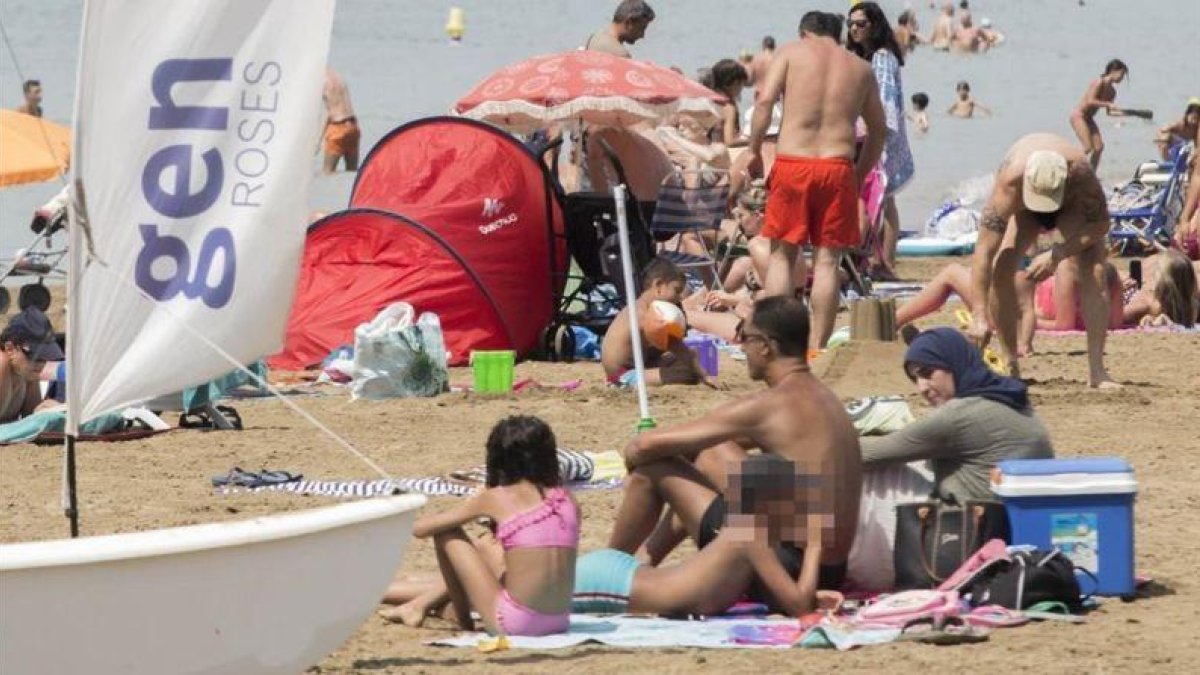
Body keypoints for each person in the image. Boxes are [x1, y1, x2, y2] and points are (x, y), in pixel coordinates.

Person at [604, 297, 862, 599]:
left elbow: (641, 447)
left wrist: (645, 463)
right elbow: (708, 447)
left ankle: (607, 569)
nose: (740, 345)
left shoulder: (768, 407)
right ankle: (645, 560)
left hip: (788, 570)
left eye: (744, 336)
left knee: (655, 470)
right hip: (829, 568)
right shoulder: (824, 398)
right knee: (712, 452)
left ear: (766, 345)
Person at [745, 11, 886, 349]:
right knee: (827, 262)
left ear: (804, 32)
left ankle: (778, 342)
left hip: (794, 162)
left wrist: (753, 150)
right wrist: (858, 174)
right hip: (836, 165)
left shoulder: (791, 53)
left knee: (781, 255)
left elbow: (764, 101)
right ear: (837, 35)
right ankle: (818, 347)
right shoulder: (860, 68)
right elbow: (879, 131)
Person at [574, 454, 844, 618]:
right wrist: (814, 547)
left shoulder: (745, 535)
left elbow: (784, 598)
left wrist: (814, 593)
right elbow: (800, 607)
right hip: (608, 583)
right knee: (536, 597)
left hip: (616, 574)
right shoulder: (749, 536)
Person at [386, 416, 579, 636]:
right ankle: (422, 604)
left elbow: (420, 529)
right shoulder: (567, 499)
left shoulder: (496, 497)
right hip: (559, 622)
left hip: (515, 625)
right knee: (491, 549)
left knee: (447, 532)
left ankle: (463, 621)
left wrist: (473, 503)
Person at [968, 133, 1119, 388]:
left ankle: (1097, 371)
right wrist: (978, 315)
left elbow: (1101, 224)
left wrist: (1057, 253)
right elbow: (983, 252)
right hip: (1024, 207)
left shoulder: (1081, 174)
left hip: (1070, 205)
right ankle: (1010, 363)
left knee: (1094, 267)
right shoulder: (1009, 183)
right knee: (1002, 267)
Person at [861, 328, 1053, 502]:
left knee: (872, 476)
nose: (922, 388)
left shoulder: (957, 417)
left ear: (953, 364)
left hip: (978, 527)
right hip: (1026, 517)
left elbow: (865, 454)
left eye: (927, 373)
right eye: (915, 379)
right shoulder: (1010, 397)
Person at [848, 2, 915, 282]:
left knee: (884, 200)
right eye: (850, 23)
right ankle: (881, 259)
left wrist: (867, 134)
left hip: (880, 135)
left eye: (860, 24)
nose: (853, 29)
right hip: (875, 133)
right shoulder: (870, 55)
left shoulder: (882, 57)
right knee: (883, 200)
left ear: (874, 25)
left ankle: (884, 262)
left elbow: (885, 102)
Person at [601, 258, 711, 387]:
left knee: (688, 356)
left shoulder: (638, 307)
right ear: (658, 286)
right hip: (622, 376)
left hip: (630, 368)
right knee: (686, 372)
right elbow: (677, 347)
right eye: (677, 290)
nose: (679, 298)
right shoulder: (647, 316)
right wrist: (705, 375)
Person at [0, 307, 64, 423]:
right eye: (35, 357)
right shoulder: (2, 363)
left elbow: (30, 420)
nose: (40, 363)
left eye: (45, 356)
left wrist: (46, 411)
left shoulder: (25, 372)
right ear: (10, 349)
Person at [1070, 59, 1129, 170]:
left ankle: (1092, 174)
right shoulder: (1098, 82)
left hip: (1088, 119)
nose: (1122, 78)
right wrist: (1108, 104)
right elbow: (1090, 101)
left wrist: (1122, 113)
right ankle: (1069, 165)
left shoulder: (1112, 92)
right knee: (1087, 148)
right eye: (1121, 74)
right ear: (1113, 71)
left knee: (1099, 147)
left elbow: (1109, 112)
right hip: (1079, 116)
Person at [702, 59, 750, 146]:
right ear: (734, 83)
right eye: (741, 84)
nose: (741, 89)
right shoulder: (728, 108)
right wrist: (753, 140)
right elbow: (729, 141)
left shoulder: (707, 101)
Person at [321, 68, 360, 173]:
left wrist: (318, 141)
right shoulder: (338, 76)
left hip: (337, 127)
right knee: (352, 173)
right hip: (353, 126)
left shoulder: (319, 81)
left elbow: (327, 113)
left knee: (327, 172)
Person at [584, 0, 655, 58]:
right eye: (642, 28)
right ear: (629, 23)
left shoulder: (594, 38)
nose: (642, 35)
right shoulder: (621, 55)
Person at [750, 36, 776, 103]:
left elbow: (751, 80)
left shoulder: (756, 59)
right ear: (774, 46)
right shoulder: (778, 59)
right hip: (773, 95)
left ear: (763, 46)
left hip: (759, 94)